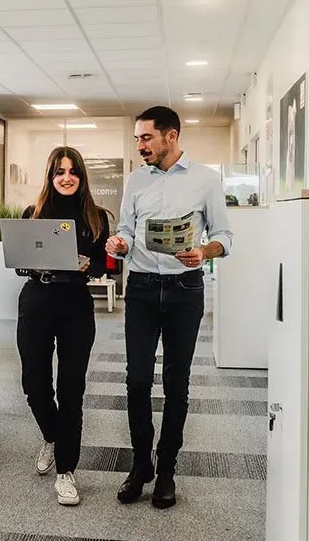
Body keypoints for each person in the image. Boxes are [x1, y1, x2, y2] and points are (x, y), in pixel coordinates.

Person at [106, 106, 233, 509]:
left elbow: (225, 235)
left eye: (146, 138)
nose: (140, 146)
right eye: (137, 139)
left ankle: (166, 471)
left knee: (176, 383)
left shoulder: (205, 180)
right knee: (138, 380)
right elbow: (126, 227)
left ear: (170, 136)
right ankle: (141, 464)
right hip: (141, 288)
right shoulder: (135, 180)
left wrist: (204, 251)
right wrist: (119, 242)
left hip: (184, 290)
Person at [17, 146, 111, 507]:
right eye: (59, 172)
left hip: (75, 304)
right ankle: (53, 436)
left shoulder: (97, 218)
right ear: (51, 176)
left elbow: (107, 266)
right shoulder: (34, 213)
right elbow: (20, 265)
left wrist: (91, 265)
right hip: (37, 302)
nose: (66, 177)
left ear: (81, 176)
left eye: (72, 171)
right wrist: (35, 262)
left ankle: (66, 472)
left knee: (71, 390)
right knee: (34, 385)